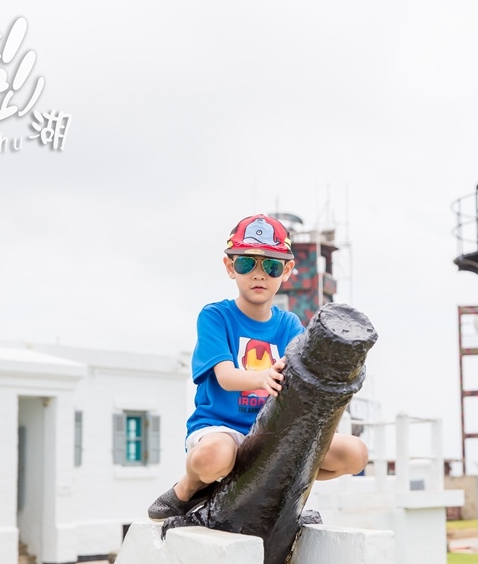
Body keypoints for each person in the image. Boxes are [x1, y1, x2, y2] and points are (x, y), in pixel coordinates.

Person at [148, 214, 369, 520]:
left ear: (287, 271)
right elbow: (225, 377)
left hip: (272, 434)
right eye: (246, 263)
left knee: (355, 454)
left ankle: (285, 489)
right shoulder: (216, 317)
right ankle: (186, 489)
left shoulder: (290, 324)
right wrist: (263, 376)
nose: (259, 274)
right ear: (230, 267)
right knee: (213, 456)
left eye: (272, 266)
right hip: (223, 429)